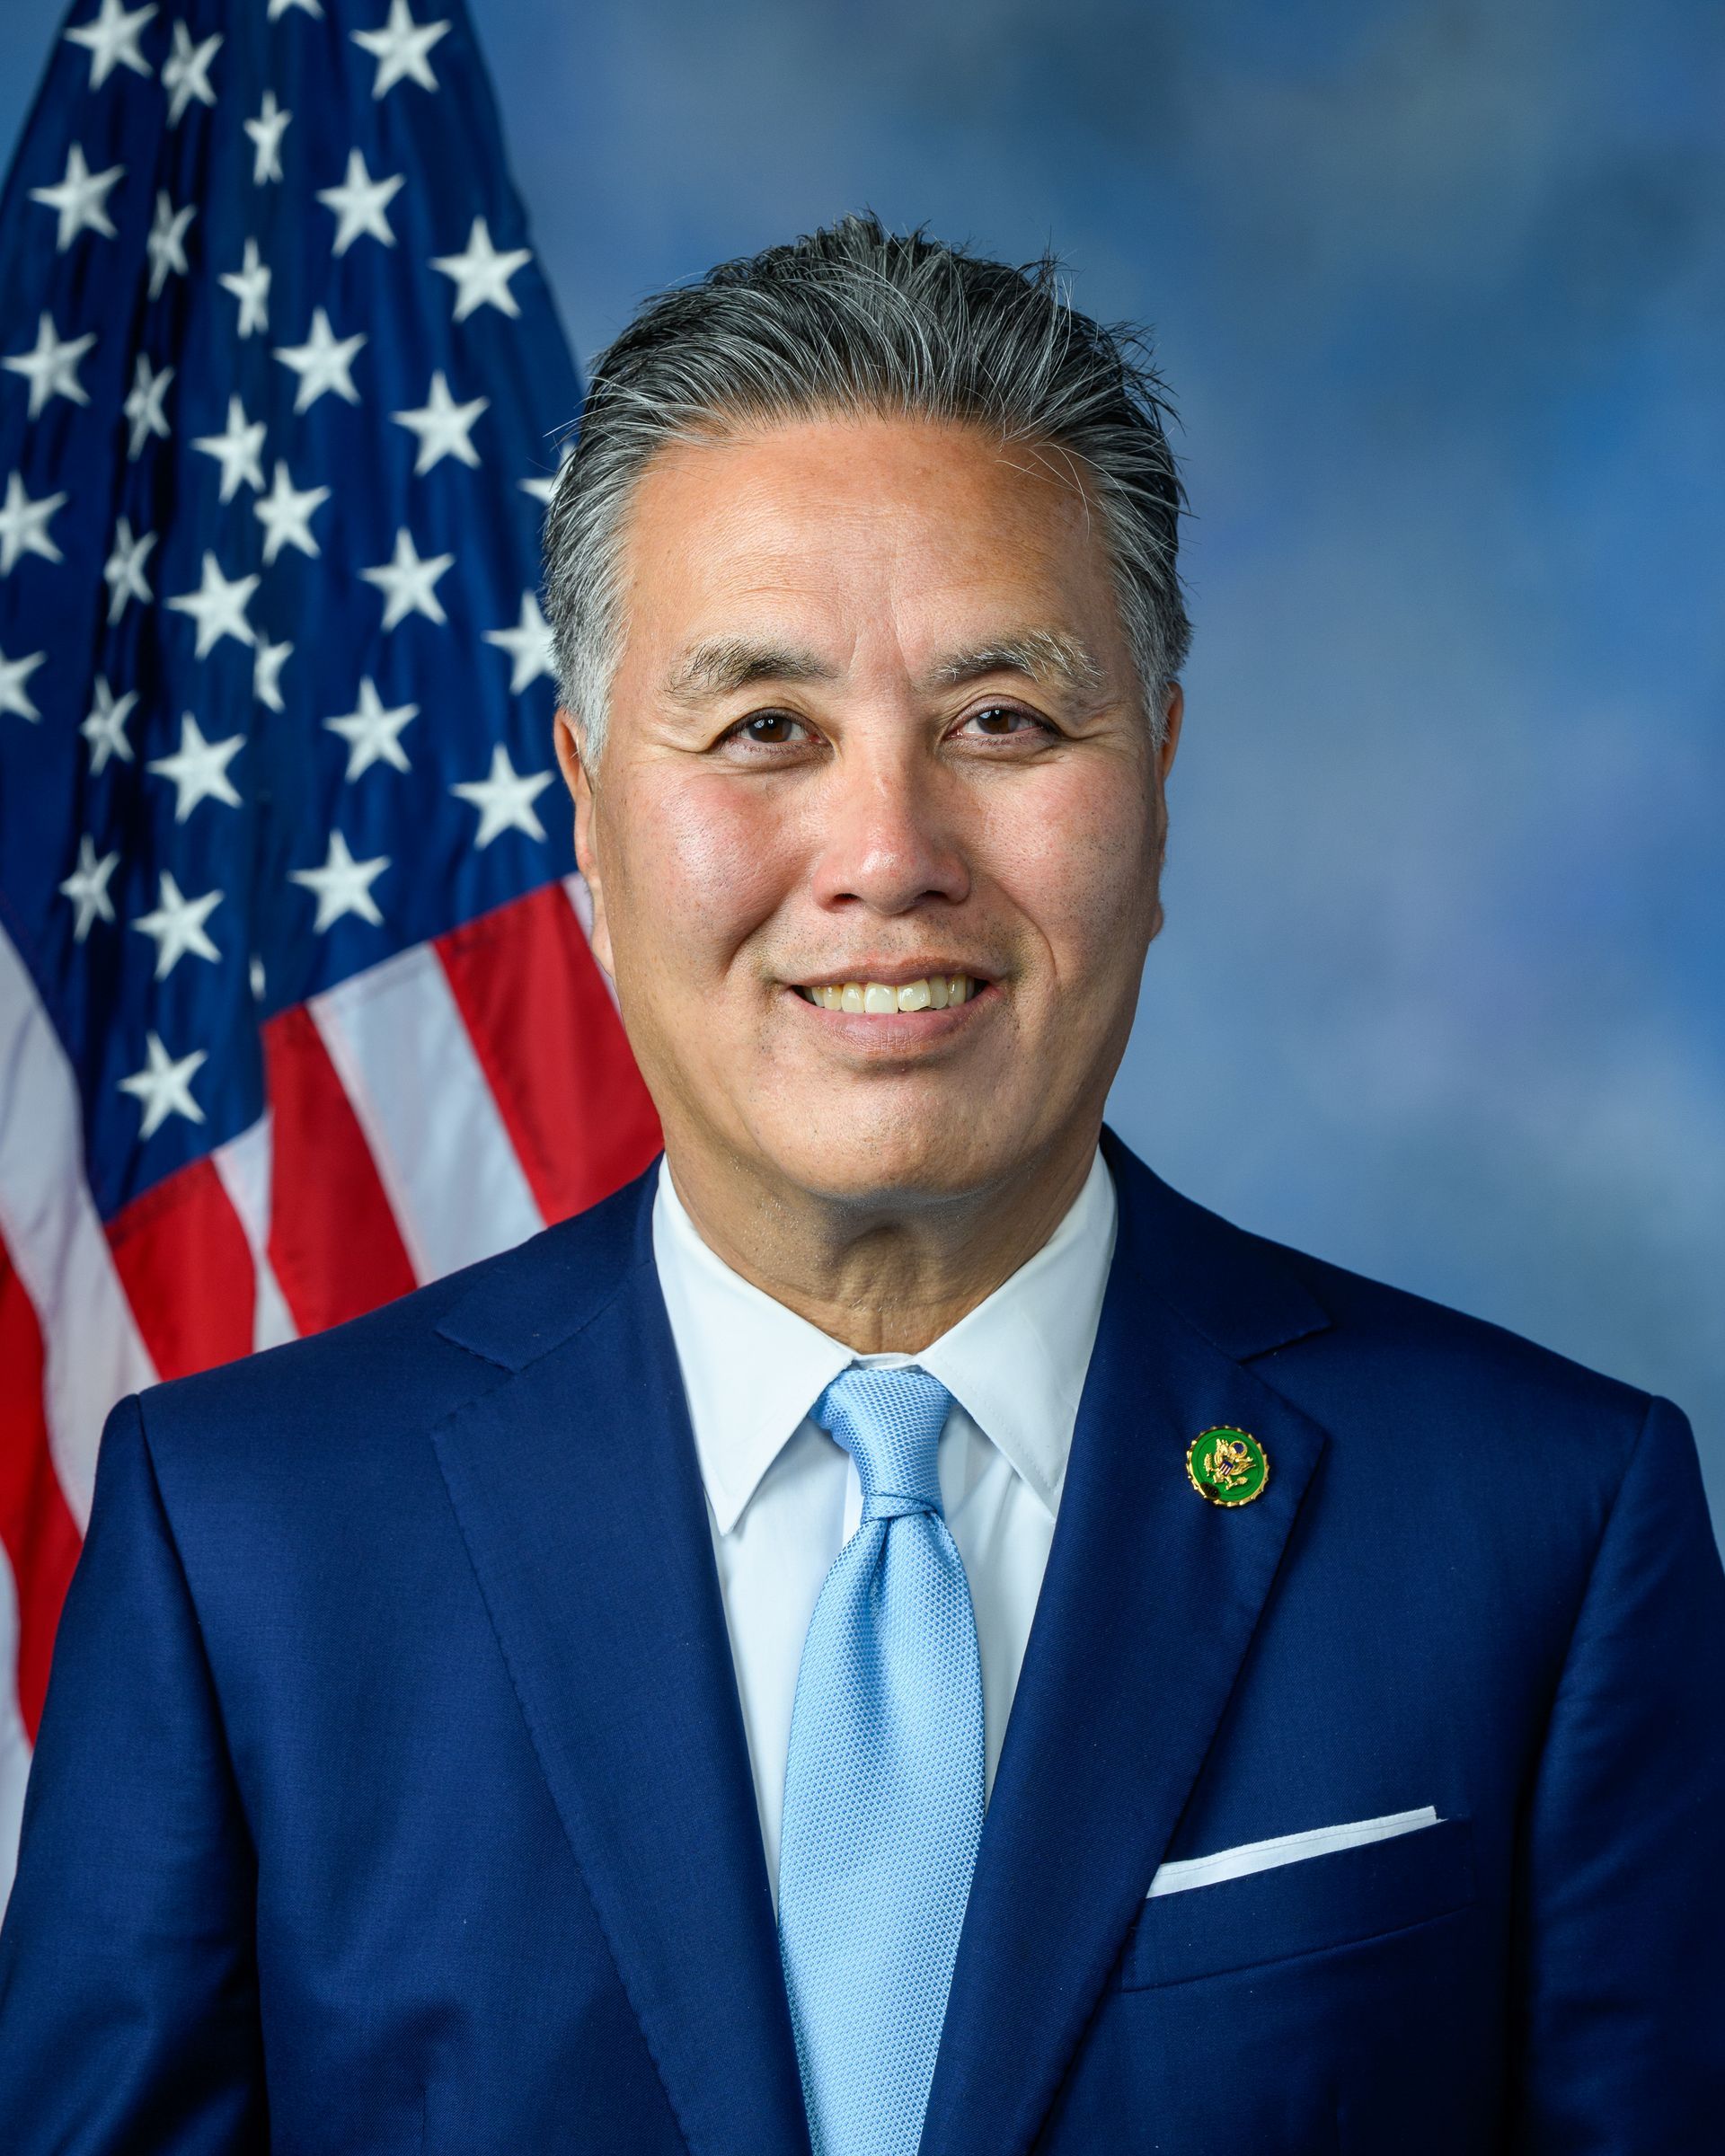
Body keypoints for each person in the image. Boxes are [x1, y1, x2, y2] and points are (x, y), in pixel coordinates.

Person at [1, 215, 1721, 2156]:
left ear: (1154, 771)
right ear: (583, 806)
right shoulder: (247, 1543)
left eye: (1003, 721)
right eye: (764, 732)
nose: (888, 851)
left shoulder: (1545, 1528)